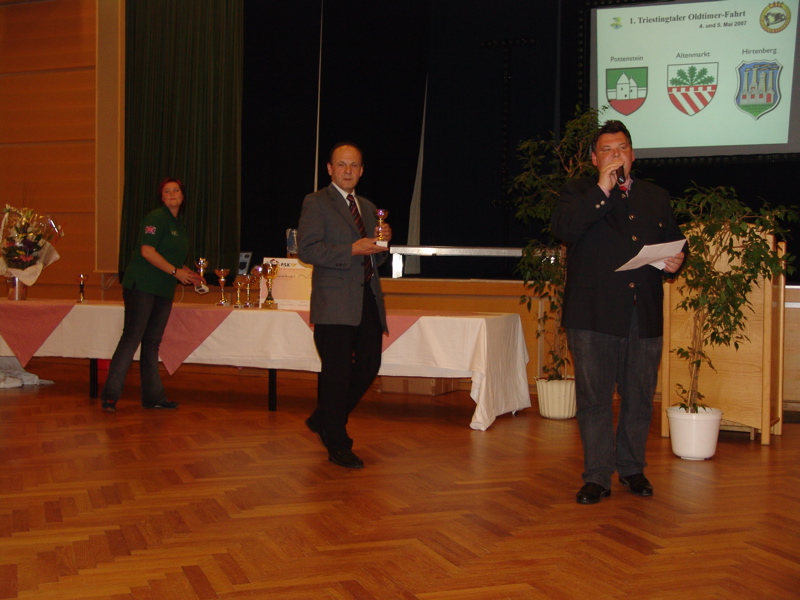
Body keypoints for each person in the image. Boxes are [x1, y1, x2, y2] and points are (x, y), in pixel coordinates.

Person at [551, 120, 685, 504]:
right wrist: (602, 190)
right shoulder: (578, 192)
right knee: (594, 398)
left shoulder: (655, 196)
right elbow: (564, 229)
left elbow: (674, 241)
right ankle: (597, 476)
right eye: (607, 150)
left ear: (633, 155)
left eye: (622, 148)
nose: (616, 155)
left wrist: (678, 260)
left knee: (639, 396)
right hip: (592, 314)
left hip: (642, 310)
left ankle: (632, 469)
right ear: (595, 159)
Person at [298, 142, 392, 469]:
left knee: (369, 364)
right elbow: (307, 250)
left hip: (367, 298)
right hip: (334, 300)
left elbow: (376, 260)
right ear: (330, 169)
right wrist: (352, 249)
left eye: (354, 165)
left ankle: (323, 418)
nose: (348, 170)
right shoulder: (316, 202)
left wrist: (382, 243)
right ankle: (337, 442)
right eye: (341, 164)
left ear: (362, 171)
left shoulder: (368, 206)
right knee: (336, 374)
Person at [100, 177, 204, 413]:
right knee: (131, 338)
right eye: (167, 191)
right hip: (143, 286)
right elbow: (147, 251)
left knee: (152, 343)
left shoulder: (179, 225)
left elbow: (172, 259)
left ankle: (153, 397)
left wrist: (190, 274)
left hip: (163, 288)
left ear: (183, 196)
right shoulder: (155, 218)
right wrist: (176, 272)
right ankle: (110, 396)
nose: (172, 194)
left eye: (176, 190)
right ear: (161, 197)